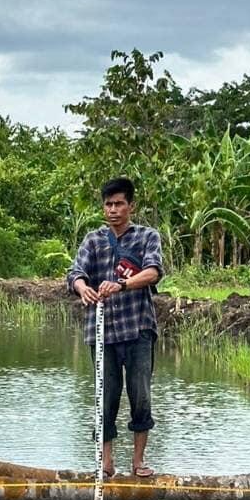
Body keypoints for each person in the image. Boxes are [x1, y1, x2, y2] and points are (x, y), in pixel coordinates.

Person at [67, 177, 164, 477]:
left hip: (137, 329)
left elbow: (153, 272)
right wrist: (83, 288)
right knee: (105, 396)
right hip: (102, 332)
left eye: (119, 204)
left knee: (141, 395)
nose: (113, 210)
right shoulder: (93, 240)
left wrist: (122, 285)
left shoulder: (147, 237)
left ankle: (138, 461)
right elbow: (75, 272)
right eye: (108, 204)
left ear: (130, 206)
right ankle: (106, 461)